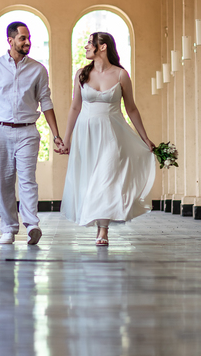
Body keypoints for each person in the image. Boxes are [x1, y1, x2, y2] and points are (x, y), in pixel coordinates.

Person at [57, 31, 156, 245]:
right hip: (86, 134)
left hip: (113, 133)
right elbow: (75, 107)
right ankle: (98, 221)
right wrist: (67, 139)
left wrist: (145, 138)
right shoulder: (81, 74)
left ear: (102, 47)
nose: (86, 47)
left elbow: (131, 109)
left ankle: (103, 230)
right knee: (91, 179)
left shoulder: (121, 75)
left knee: (106, 176)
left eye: (89, 44)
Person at [0, 21, 66, 245]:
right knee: (5, 181)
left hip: (28, 131)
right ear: (10, 40)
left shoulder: (38, 69)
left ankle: (32, 225)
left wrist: (56, 135)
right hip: (1, 131)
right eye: (23, 38)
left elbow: (46, 102)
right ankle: (8, 228)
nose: (28, 42)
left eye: (28, 38)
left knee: (28, 180)